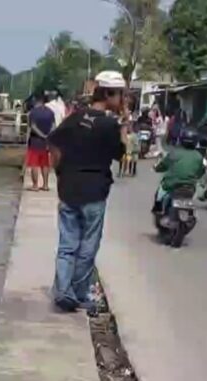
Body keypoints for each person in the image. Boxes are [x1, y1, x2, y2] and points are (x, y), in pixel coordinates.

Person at [47, 71, 127, 312]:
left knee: (67, 244)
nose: (122, 99)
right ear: (109, 93)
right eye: (120, 94)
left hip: (68, 189)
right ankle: (78, 293)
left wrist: (60, 170)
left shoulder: (75, 117)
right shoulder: (110, 125)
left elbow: (54, 142)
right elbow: (120, 154)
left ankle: (63, 290)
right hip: (94, 193)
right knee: (87, 246)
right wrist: (124, 128)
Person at [153, 128, 205, 212]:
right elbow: (201, 172)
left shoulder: (174, 153)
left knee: (159, 193)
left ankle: (158, 209)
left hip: (172, 184)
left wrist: (156, 168)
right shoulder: (198, 156)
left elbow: (162, 165)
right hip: (190, 186)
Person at [26, 92, 55, 191]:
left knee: (34, 164)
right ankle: (45, 185)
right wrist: (47, 136)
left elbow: (33, 127)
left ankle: (35, 185)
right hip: (46, 142)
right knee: (45, 164)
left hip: (35, 141)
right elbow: (53, 126)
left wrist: (41, 135)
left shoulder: (33, 112)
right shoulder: (50, 112)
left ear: (37, 101)